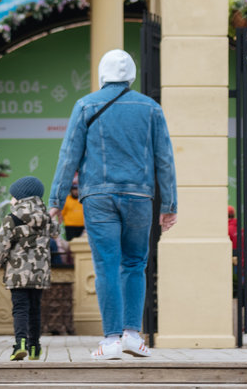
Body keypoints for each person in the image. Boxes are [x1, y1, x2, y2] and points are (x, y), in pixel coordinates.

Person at [49, 49, 177, 361]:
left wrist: (56, 199)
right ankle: (133, 335)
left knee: (107, 264)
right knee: (134, 263)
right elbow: (164, 158)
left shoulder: (85, 105)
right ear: (131, 75)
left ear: (102, 74)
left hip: (99, 197)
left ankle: (110, 341)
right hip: (139, 197)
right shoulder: (151, 108)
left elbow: (69, 156)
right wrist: (169, 204)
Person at [0, 176, 58, 361]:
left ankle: (20, 344)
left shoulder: (13, 218)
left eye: (13, 196)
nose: (11, 200)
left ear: (21, 198)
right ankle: (35, 347)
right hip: (40, 274)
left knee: (20, 308)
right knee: (35, 309)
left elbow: (0, 246)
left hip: (18, 274)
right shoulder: (46, 218)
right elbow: (56, 233)